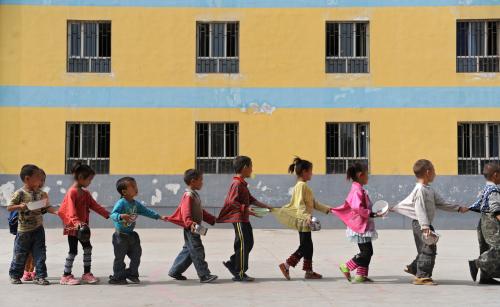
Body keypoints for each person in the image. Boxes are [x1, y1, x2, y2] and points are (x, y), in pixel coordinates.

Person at [392, 159, 468, 285]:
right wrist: (425, 226)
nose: (435, 173)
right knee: (429, 248)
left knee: (425, 248)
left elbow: (441, 203)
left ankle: (414, 268)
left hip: (425, 224)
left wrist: (458, 208)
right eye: (434, 170)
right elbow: (419, 208)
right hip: (421, 224)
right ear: (428, 172)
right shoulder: (420, 190)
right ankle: (422, 277)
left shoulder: (429, 189)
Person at [217, 156, 272, 282]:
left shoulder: (242, 184)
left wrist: (267, 207)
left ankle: (233, 263)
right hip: (239, 219)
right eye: (251, 166)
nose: (252, 169)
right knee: (242, 245)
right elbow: (232, 202)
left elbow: (251, 200)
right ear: (245, 168)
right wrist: (246, 209)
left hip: (244, 219)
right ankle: (240, 273)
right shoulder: (236, 184)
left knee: (248, 243)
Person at [277, 157, 331, 280]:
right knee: (305, 246)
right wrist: (307, 216)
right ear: (304, 172)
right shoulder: (301, 186)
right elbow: (299, 204)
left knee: (308, 246)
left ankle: (309, 271)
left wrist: (328, 209)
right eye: (311, 171)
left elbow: (313, 203)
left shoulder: (303, 186)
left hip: (304, 219)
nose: (312, 173)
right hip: (303, 220)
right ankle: (286, 265)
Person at [58, 162, 110, 285]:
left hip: (83, 228)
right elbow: (70, 210)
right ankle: (66, 275)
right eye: (89, 179)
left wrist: (109, 215)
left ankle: (87, 273)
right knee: (73, 251)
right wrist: (76, 222)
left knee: (88, 248)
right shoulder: (72, 192)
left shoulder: (85, 193)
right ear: (81, 178)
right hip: (73, 227)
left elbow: (95, 206)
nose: (90, 182)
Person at [109, 177, 168, 284]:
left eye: (136, 186)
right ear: (124, 191)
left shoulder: (135, 204)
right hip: (120, 236)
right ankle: (117, 277)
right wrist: (121, 216)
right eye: (133, 187)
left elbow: (146, 211)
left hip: (132, 235)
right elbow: (113, 214)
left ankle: (132, 274)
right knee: (119, 258)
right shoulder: (121, 203)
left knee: (136, 255)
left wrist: (159, 217)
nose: (136, 188)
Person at [333, 162, 382, 283]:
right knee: (367, 252)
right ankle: (347, 266)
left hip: (363, 226)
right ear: (360, 175)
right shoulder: (357, 190)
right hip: (360, 226)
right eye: (367, 174)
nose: (368, 177)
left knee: (367, 252)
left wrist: (374, 212)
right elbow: (357, 207)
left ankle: (361, 275)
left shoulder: (359, 189)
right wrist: (371, 214)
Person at [8, 164, 56, 285]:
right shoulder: (20, 193)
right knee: (20, 253)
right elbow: (9, 207)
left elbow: (47, 206)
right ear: (27, 179)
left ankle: (40, 276)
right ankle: (15, 275)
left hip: (38, 229)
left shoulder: (41, 194)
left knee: (40, 254)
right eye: (38, 177)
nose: (41, 180)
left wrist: (56, 212)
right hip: (23, 231)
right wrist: (19, 206)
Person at [168, 169, 218, 283]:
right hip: (191, 228)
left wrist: (213, 219)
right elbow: (186, 212)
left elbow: (201, 211)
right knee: (197, 250)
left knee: (189, 251)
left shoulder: (194, 194)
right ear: (193, 181)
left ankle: (175, 271)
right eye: (201, 180)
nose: (202, 182)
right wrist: (190, 223)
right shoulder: (189, 195)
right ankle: (204, 275)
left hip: (194, 227)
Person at [467, 162, 500, 284]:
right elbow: (495, 208)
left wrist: (469, 208)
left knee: (485, 248)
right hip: (491, 221)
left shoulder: (487, 188)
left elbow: (479, 203)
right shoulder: (494, 190)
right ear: (496, 175)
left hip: (483, 220)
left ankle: (485, 277)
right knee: (497, 248)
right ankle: (476, 263)